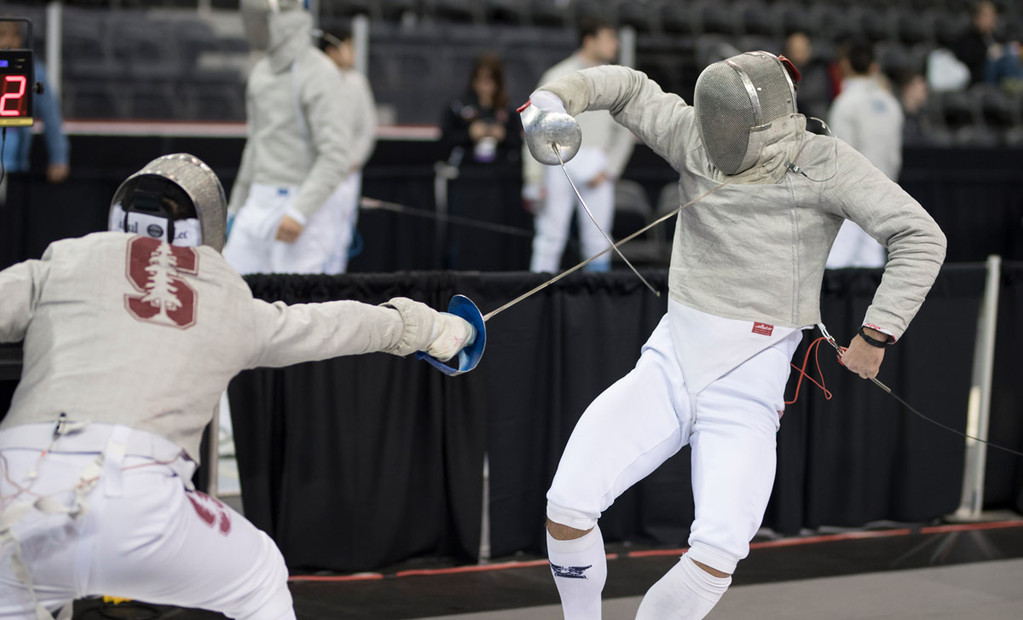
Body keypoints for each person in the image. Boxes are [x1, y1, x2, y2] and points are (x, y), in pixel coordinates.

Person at [519, 51, 946, 619]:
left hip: (747, 388)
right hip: (670, 363)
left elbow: (920, 235)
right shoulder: (694, 136)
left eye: (725, 126)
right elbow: (628, 88)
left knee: (717, 551)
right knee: (567, 505)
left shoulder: (823, 161)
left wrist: (876, 334)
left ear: (761, 124)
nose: (713, 139)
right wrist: (555, 97)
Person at [0, 154, 475, 620]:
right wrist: (428, 328)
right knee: (260, 574)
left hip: (14, 497)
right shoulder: (222, 296)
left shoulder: (66, 258)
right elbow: (329, 326)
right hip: (140, 505)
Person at [223, 0, 354, 275]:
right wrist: (236, 207)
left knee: (295, 299)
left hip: (300, 205)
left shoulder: (319, 72)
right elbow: (255, 145)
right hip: (257, 200)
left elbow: (336, 154)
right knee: (231, 285)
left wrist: (299, 212)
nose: (254, 24)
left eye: (262, 16)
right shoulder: (260, 73)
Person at [523, 18, 635, 273]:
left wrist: (609, 170)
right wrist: (533, 178)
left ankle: (597, 296)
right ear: (589, 40)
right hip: (557, 161)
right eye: (609, 37)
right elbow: (534, 126)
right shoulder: (557, 76)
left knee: (598, 239)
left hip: (598, 164)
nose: (615, 44)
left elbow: (624, 131)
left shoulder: (616, 79)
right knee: (550, 236)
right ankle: (539, 290)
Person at [439, 52, 526, 270]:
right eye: (481, 80)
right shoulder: (458, 106)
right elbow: (443, 143)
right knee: (465, 235)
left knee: (496, 237)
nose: (485, 86)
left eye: (490, 81)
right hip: (467, 180)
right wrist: (470, 134)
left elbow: (519, 145)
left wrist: (502, 135)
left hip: (499, 183)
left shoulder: (508, 109)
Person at [826, 41, 904, 268]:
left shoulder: (845, 104)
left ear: (845, 65)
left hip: (850, 197)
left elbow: (840, 155)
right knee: (871, 263)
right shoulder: (890, 103)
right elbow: (894, 157)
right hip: (882, 194)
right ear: (873, 66)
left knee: (837, 262)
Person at [0, 21, 69, 269]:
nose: (7, 42)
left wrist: (59, 157)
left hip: (14, 169)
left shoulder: (32, 72)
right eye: (2, 35)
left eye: (12, 36)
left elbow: (51, 116)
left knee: (9, 236)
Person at [319, 28, 377, 268]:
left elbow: (368, 127)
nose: (353, 53)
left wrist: (353, 160)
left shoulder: (357, 82)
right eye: (348, 47)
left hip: (348, 174)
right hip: (318, 173)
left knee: (341, 237)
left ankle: (334, 280)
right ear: (332, 50)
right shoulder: (313, 81)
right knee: (316, 234)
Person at [953, 1, 1023, 88]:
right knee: (1004, 58)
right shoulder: (967, 38)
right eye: (987, 16)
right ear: (977, 18)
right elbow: (965, 57)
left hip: (1000, 74)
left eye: (993, 15)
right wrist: (987, 52)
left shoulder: (997, 37)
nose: (991, 19)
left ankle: (1016, 83)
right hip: (981, 77)